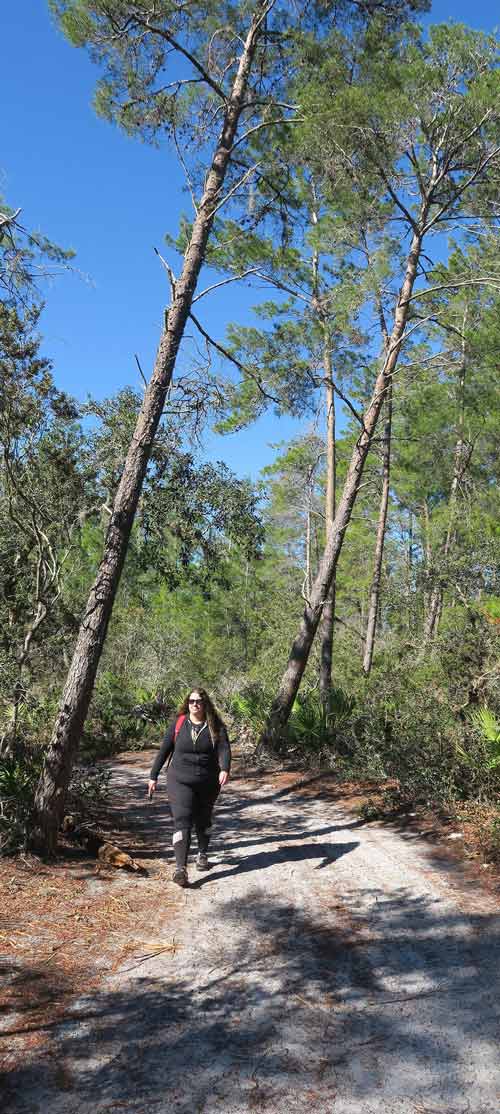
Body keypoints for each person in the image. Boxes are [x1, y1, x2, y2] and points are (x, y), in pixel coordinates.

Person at [147, 687, 231, 887]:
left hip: (208, 781)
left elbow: (224, 748)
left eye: (199, 701)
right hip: (179, 780)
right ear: (187, 703)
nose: (195, 704)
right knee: (182, 820)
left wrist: (225, 768)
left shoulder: (215, 726)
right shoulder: (179, 723)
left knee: (203, 819)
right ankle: (180, 869)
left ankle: (202, 853)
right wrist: (153, 776)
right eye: (192, 701)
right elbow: (164, 751)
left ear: (205, 704)